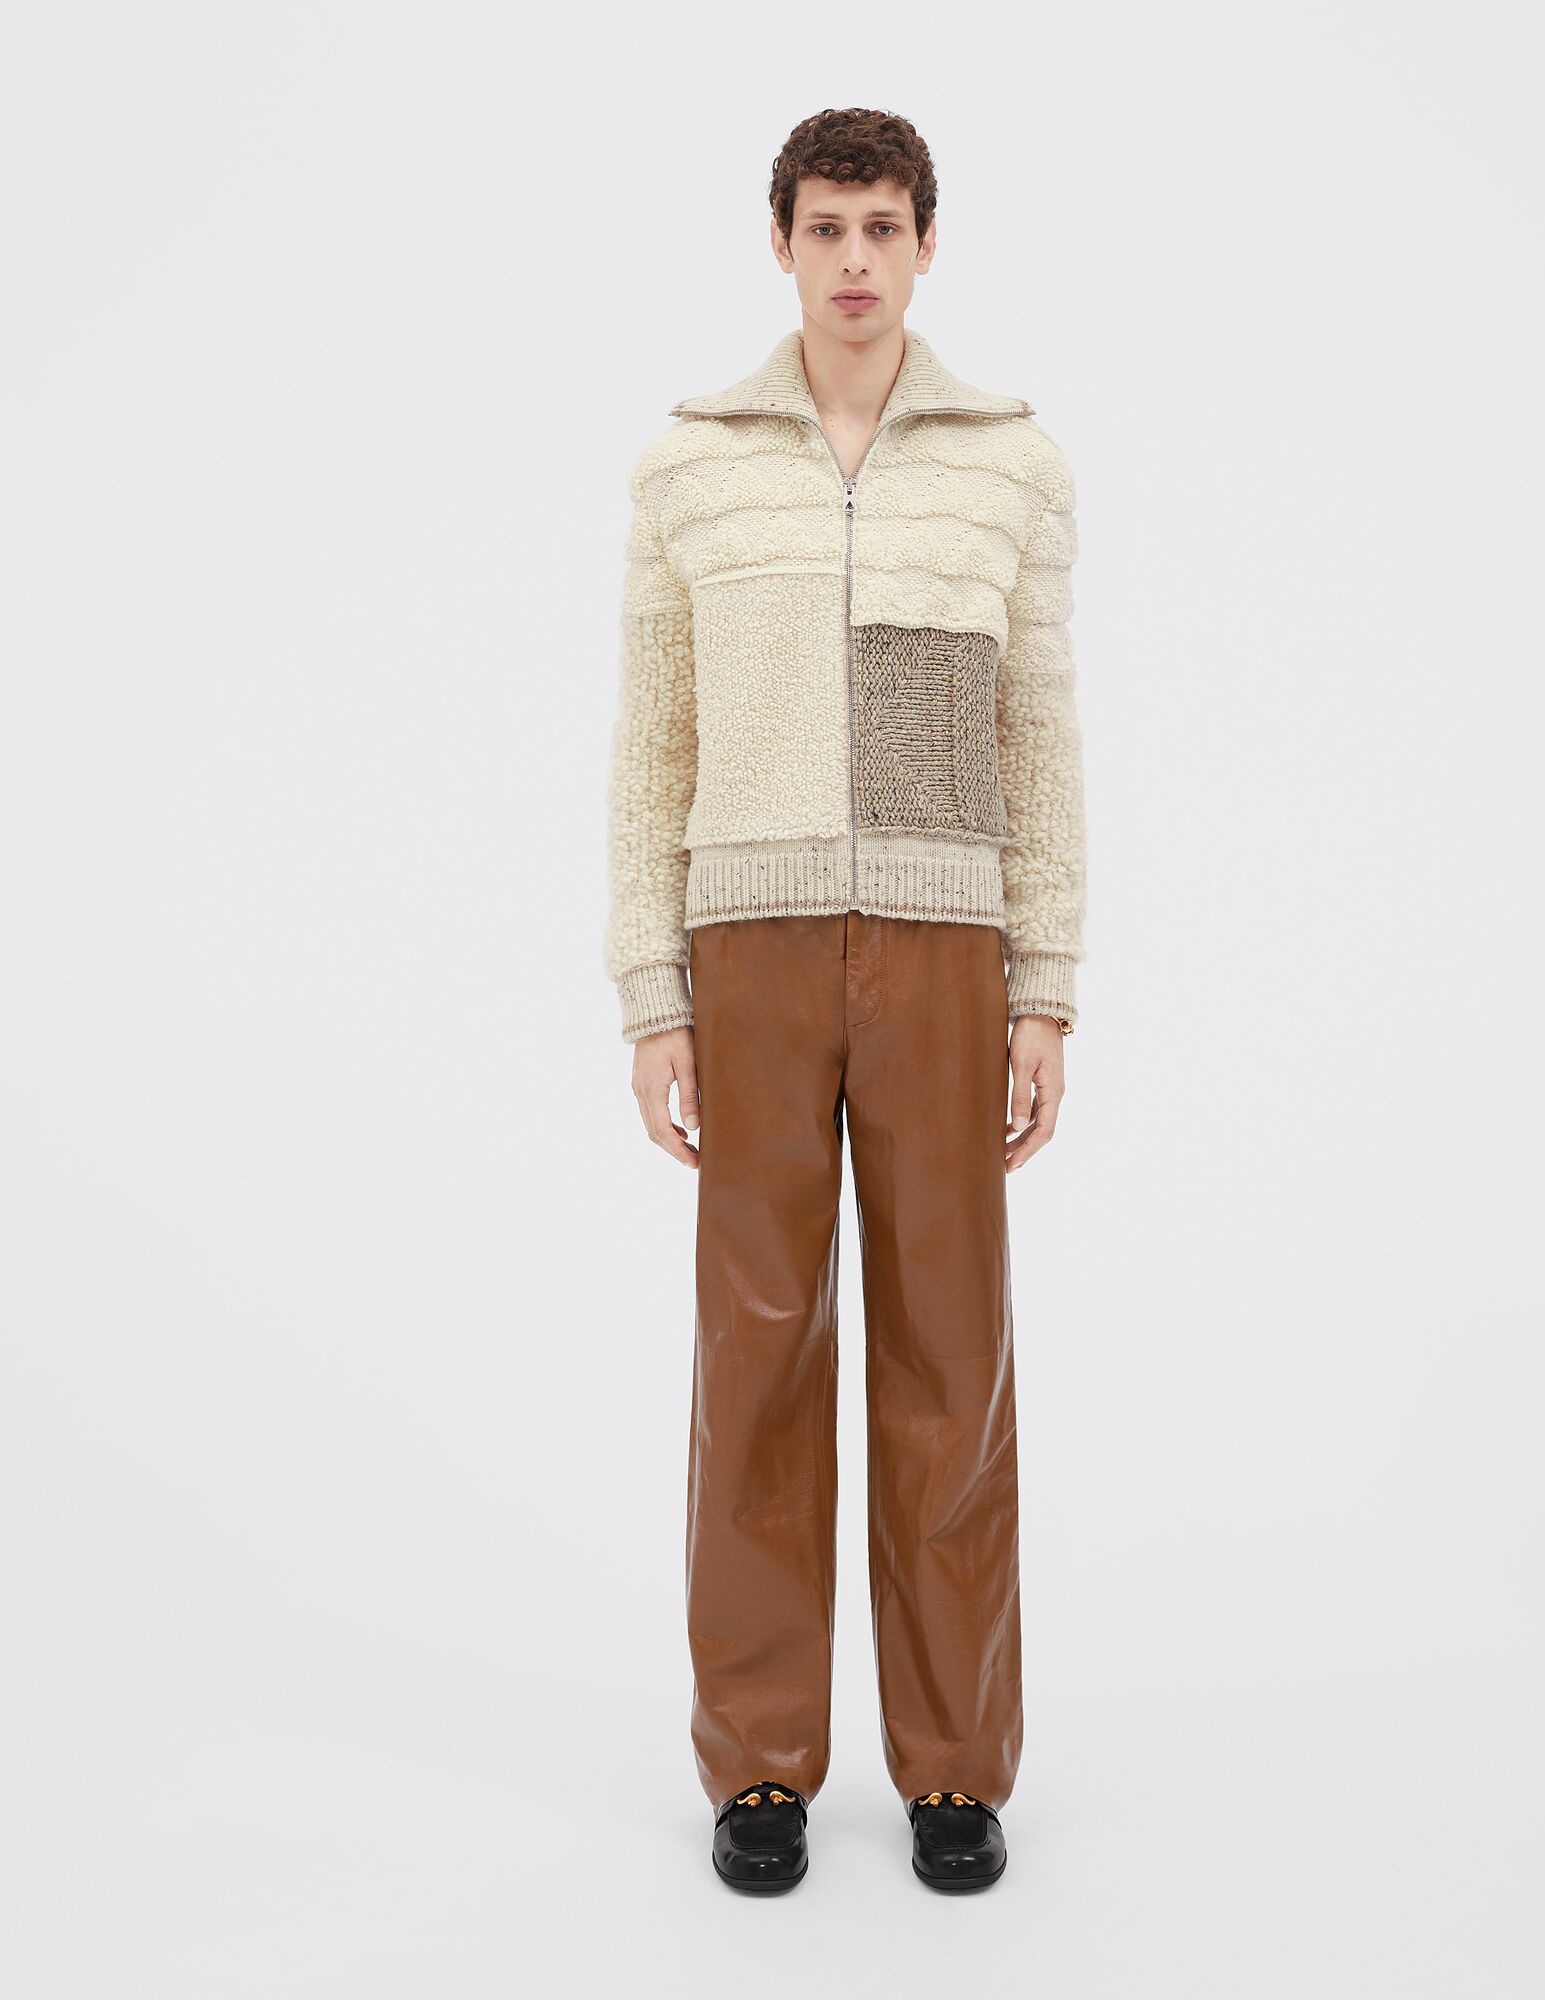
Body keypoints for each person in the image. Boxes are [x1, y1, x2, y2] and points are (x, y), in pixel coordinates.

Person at [602, 105, 1087, 1895]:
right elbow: (651, 743)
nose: (857, 258)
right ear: (783, 245)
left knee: (951, 1354)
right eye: (828, 227)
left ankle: (952, 1766)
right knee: (756, 1354)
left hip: (947, 950)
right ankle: (759, 1764)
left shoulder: (1010, 463)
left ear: (926, 243)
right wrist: (652, 991)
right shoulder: (691, 464)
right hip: (749, 943)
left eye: (885, 226)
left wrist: (1045, 988)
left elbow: (1040, 737)